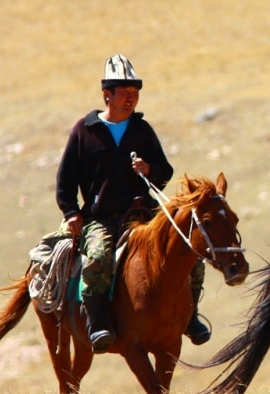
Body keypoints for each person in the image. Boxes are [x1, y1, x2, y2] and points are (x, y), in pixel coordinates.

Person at [55, 53, 211, 353]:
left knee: (190, 250)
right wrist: (72, 213)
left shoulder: (142, 130)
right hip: (101, 217)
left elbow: (164, 171)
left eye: (135, 94)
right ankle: (97, 322)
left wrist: (149, 169)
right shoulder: (84, 131)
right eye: (125, 93)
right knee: (98, 257)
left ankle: (190, 317)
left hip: (144, 213)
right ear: (106, 95)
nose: (131, 99)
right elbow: (65, 181)